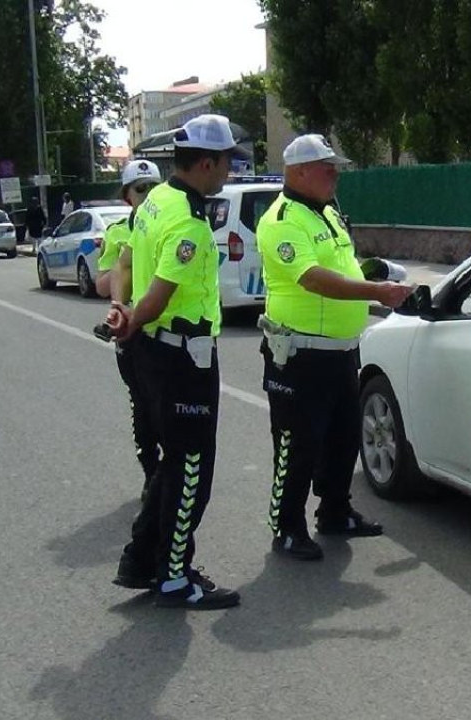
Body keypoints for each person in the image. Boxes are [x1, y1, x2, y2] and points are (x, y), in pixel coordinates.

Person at [109, 114, 249, 610]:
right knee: (192, 468)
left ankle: (140, 561)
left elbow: (125, 265)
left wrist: (124, 314)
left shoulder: (156, 202)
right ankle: (173, 577)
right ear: (207, 163)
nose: (231, 170)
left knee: (171, 464)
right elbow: (161, 295)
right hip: (181, 358)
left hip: (152, 352)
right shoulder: (187, 220)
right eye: (228, 161)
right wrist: (131, 316)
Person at [255, 134, 413, 561]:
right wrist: (375, 291)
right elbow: (311, 277)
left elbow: (340, 268)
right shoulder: (282, 219)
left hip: (340, 351)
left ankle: (335, 511)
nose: (335, 175)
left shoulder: (326, 213)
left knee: (343, 438)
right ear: (299, 171)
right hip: (300, 355)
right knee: (297, 443)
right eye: (327, 168)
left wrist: (372, 274)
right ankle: (287, 526)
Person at [94, 159, 162, 526]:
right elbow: (104, 282)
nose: (147, 195)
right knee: (143, 404)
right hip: (132, 330)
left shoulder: (166, 224)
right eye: (140, 189)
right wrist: (121, 272)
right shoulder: (120, 232)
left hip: (164, 328)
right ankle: (152, 471)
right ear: (127, 196)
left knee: (167, 404)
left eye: (153, 187)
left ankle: (169, 471)